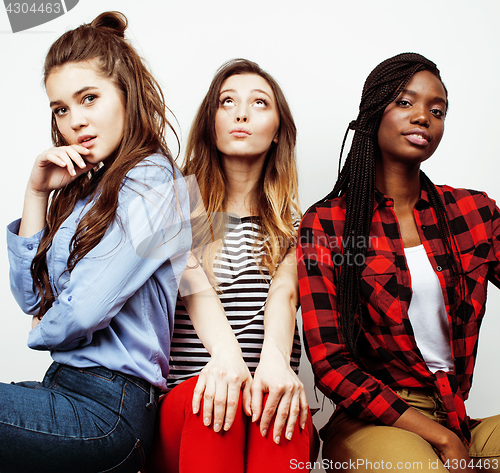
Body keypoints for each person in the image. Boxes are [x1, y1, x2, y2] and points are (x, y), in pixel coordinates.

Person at [0, 11, 191, 473]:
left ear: (126, 93)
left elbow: (85, 310)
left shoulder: (153, 181)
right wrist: (36, 193)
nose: (75, 121)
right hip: (62, 388)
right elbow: (30, 298)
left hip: (109, 410)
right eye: (61, 109)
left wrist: (43, 332)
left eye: (89, 98)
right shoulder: (85, 194)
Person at [297, 52, 500, 473]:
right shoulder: (328, 223)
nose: (423, 117)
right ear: (374, 112)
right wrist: (441, 437)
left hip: (457, 414)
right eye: (405, 102)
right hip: (374, 418)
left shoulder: (474, 212)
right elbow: (331, 364)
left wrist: (451, 431)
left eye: (437, 109)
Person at [145, 58, 316, 473]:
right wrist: (228, 363)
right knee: (217, 399)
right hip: (188, 405)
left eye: (259, 103)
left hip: (264, 402)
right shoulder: (178, 205)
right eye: (227, 102)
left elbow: (284, 292)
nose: (241, 113)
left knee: (280, 407)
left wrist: (274, 362)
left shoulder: (298, 227)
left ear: (279, 132)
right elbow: (195, 286)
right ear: (211, 122)